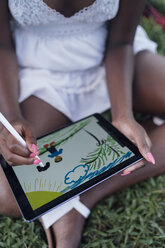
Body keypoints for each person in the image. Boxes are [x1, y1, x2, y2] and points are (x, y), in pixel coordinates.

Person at [0, 0, 165, 247]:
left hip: (108, 55)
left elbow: (121, 42)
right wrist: (12, 114)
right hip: (38, 67)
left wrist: (123, 114)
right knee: (11, 194)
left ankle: (80, 198)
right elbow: (2, 44)